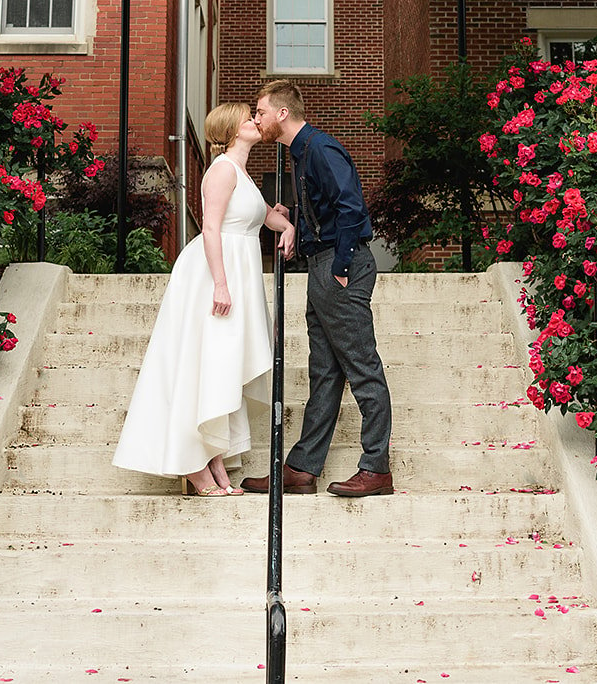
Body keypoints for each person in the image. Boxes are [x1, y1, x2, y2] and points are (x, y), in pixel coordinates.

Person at [113, 102, 296, 496]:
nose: (254, 121)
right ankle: (194, 466)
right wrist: (220, 284)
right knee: (207, 365)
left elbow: (264, 215)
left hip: (238, 272)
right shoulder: (221, 170)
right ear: (232, 129)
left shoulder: (242, 172)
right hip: (214, 274)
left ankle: (214, 461)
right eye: (248, 117)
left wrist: (289, 226)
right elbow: (211, 229)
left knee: (222, 368)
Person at [242, 80, 394, 498]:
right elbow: (325, 207)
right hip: (321, 264)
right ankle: (302, 468)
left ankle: (376, 468)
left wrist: (342, 267)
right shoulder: (300, 153)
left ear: (282, 114)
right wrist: (295, 220)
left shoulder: (321, 148)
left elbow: (351, 206)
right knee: (324, 371)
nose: (257, 119)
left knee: (362, 368)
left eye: (260, 112)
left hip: (339, 266)